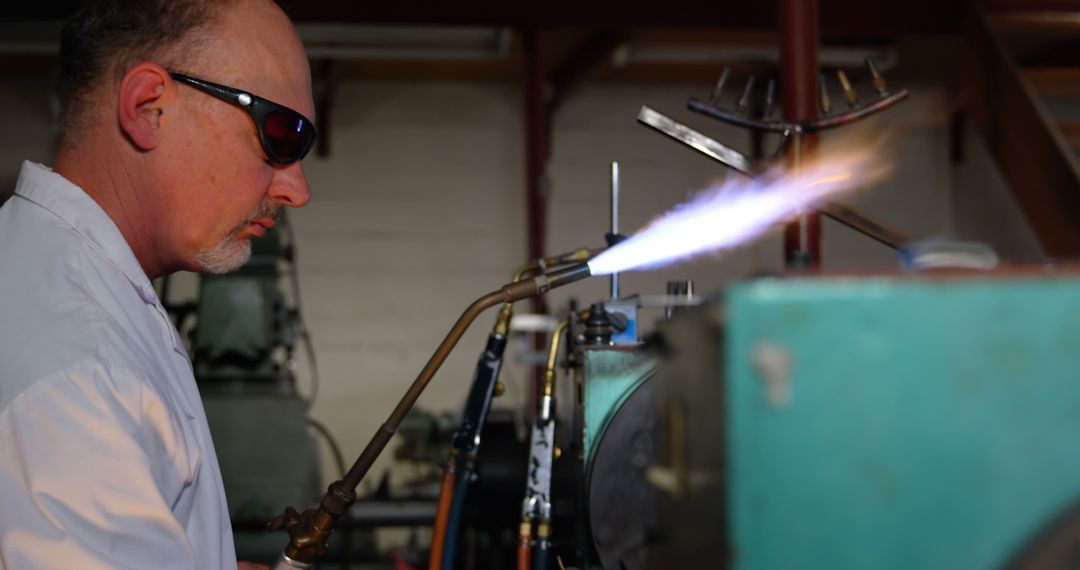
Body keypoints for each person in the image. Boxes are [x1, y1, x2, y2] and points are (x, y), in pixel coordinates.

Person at [0, 0, 315, 568]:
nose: (297, 188)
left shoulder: (70, 281)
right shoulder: (83, 374)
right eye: (281, 135)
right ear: (148, 108)